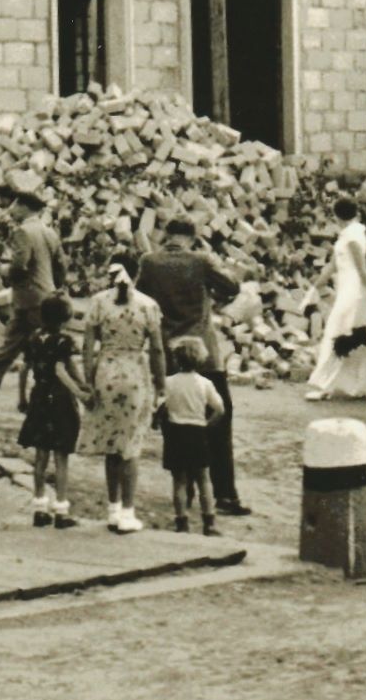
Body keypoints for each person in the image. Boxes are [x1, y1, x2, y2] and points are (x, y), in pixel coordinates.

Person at [136, 218, 251, 517]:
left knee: (175, 420)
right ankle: (224, 493)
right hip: (204, 353)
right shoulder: (201, 260)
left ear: (165, 236)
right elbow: (233, 286)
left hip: (168, 354)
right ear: (193, 238)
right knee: (218, 419)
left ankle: (184, 489)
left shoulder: (149, 262)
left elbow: (139, 300)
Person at [77, 251, 166, 535]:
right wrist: (161, 385)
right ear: (136, 273)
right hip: (135, 375)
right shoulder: (149, 306)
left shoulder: (98, 302)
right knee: (131, 446)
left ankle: (113, 508)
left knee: (111, 444)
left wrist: (88, 381)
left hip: (106, 371)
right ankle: (128, 512)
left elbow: (87, 348)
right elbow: (157, 350)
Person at [0, 189, 66, 388]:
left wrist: (3, 269)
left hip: (29, 295)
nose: (12, 210)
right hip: (45, 294)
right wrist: (56, 288)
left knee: (39, 341)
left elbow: (19, 266)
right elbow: (61, 265)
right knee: (14, 335)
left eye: (16, 205)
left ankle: (55, 379)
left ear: (25, 208)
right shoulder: (50, 232)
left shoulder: (23, 232)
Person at [18, 294, 87, 529]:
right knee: (61, 457)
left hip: (38, 398)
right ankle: (61, 509)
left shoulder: (34, 338)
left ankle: (39, 507)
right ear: (66, 319)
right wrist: (81, 392)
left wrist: (22, 397)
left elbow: (24, 370)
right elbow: (64, 369)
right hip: (59, 401)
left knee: (40, 456)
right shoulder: (64, 341)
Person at [306, 199, 366, 400]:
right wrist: (315, 286)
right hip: (346, 288)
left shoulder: (354, 235)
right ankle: (363, 383)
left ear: (337, 216)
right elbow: (333, 265)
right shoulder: (347, 234)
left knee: (337, 331)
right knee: (355, 337)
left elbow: (362, 269)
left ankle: (325, 385)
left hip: (355, 290)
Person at [159, 337, 227, 536]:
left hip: (175, 432)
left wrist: (160, 420)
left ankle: (181, 521)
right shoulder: (204, 383)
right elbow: (220, 409)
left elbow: (160, 406)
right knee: (204, 479)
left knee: (179, 480)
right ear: (201, 359)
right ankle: (209, 522)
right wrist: (207, 424)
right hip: (197, 431)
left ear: (176, 359)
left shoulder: (168, 382)